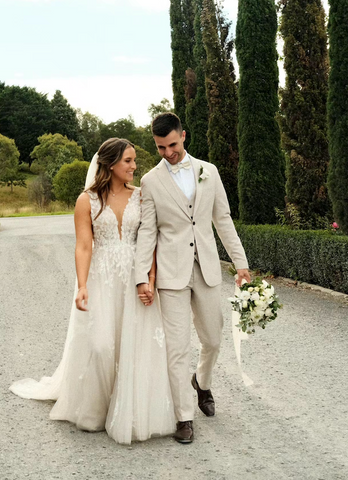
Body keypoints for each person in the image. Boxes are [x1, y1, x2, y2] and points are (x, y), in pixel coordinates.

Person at [10, 138, 175, 445]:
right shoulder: (87, 200)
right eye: (128, 160)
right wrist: (83, 284)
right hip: (102, 279)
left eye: (134, 160)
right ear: (110, 164)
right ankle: (96, 409)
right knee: (101, 345)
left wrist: (150, 278)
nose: (134, 166)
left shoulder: (141, 197)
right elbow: (84, 245)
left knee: (132, 345)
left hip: (135, 278)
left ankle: (128, 411)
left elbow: (150, 241)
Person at [135, 113, 250, 444]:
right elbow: (147, 231)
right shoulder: (151, 181)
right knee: (177, 348)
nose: (168, 152)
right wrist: (142, 275)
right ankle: (183, 417)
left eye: (172, 144)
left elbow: (222, 220)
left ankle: (201, 381)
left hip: (208, 269)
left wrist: (240, 263)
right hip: (171, 275)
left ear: (183, 136)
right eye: (160, 148)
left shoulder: (208, 172)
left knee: (213, 339)